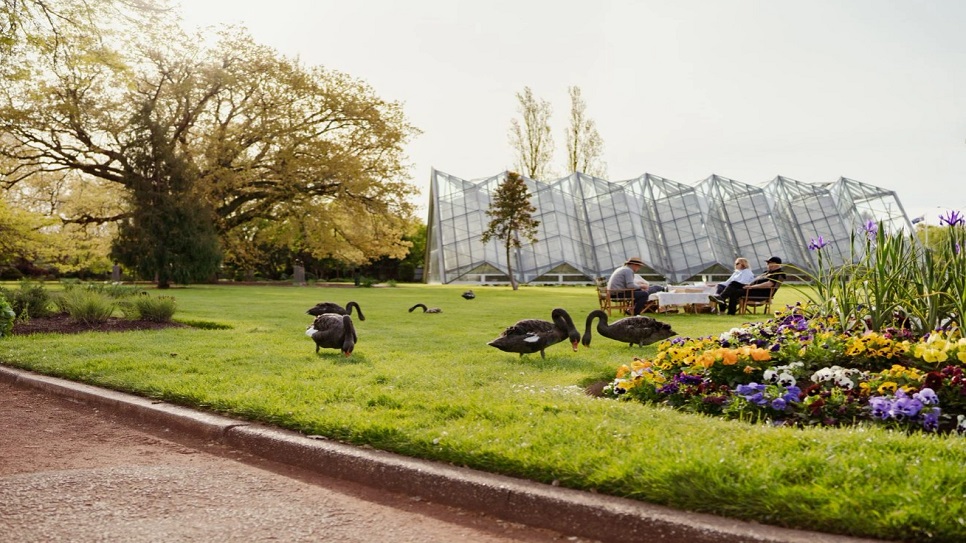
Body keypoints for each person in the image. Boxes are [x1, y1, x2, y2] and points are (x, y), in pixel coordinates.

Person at [710, 256, 784, 315]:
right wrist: (749, 285)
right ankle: (728, 310)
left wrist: (752, 287)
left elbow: (769, 284)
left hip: (760, 292)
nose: (767, 264)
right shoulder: (766, 272)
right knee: (734, 284)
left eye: (769, 263)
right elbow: (755, 280)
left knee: (735, 289)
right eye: (767, 263)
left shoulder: (779, 273)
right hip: (752, 288)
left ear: (776, 264)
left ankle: (722, 299)